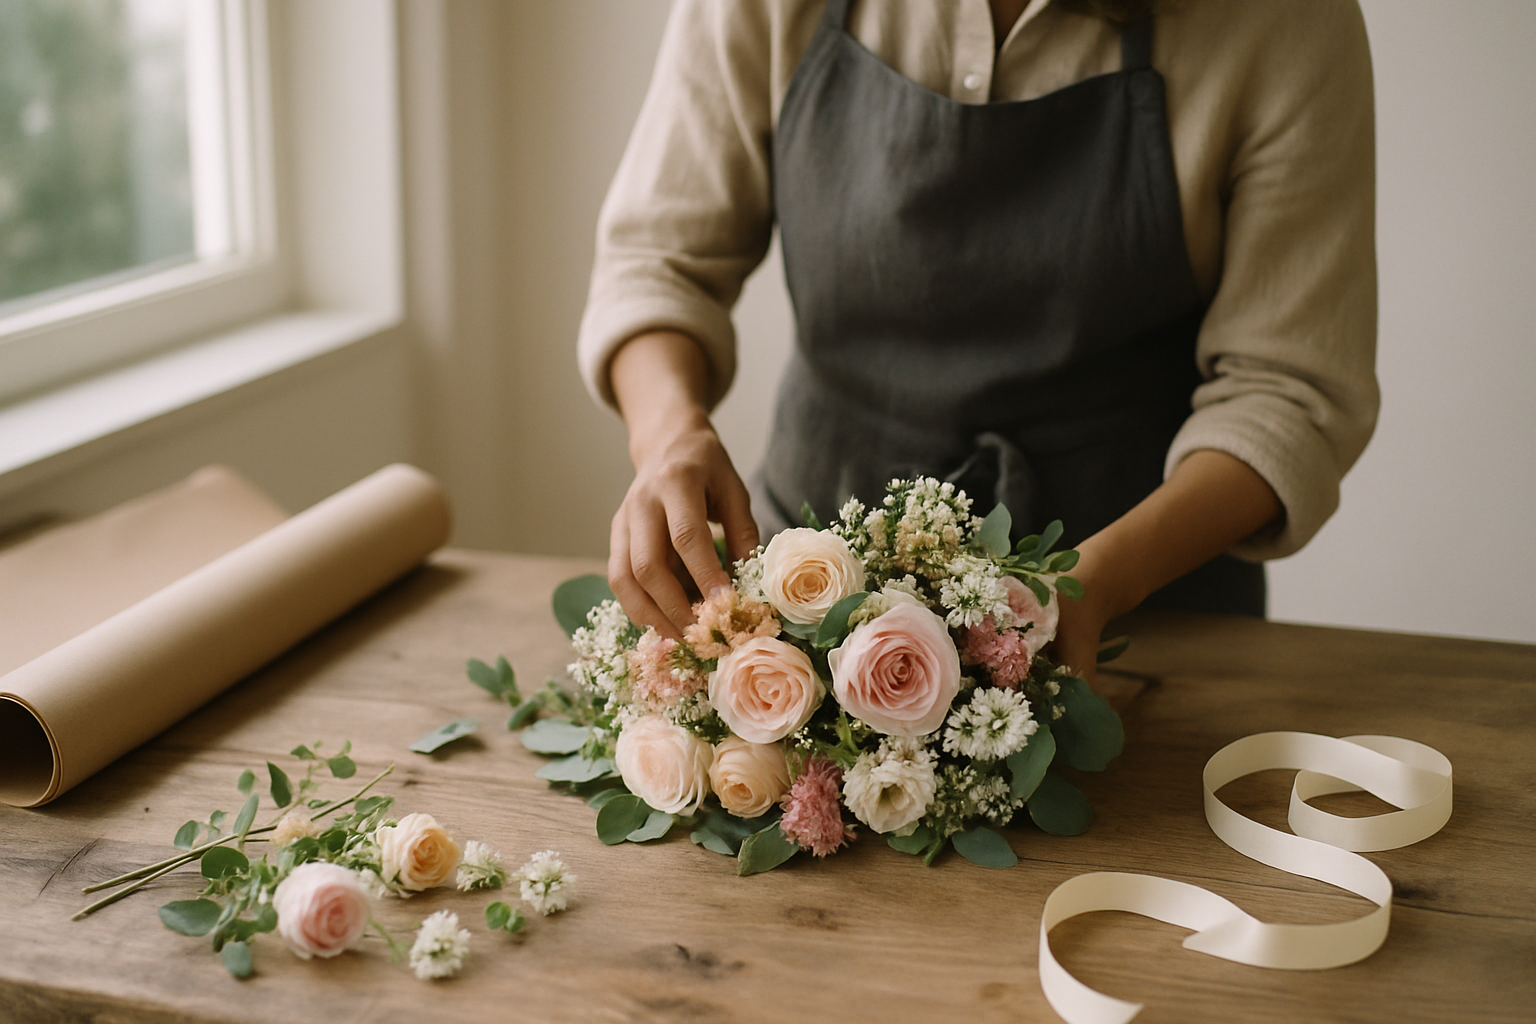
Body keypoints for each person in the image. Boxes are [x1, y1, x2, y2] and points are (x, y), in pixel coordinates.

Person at [577, 0, 1377, 681]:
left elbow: (1288, 391)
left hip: (1143, 624)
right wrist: (670, 436)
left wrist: (1089, 589)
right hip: (808, 609)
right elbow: (659, 262)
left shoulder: (1283, 22)